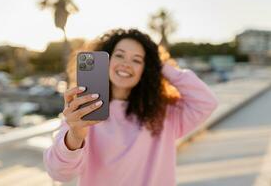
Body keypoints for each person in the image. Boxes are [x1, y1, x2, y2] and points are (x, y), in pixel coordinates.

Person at [43, 29, 218, 186]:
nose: (126, 64)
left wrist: (159, 65)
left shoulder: (164, 113)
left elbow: (206, 101)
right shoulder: (82, 113)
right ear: (106, 60)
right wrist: (75, 135)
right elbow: (60, 173)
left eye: (137, 60)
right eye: (119, 55)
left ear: (146, 68)